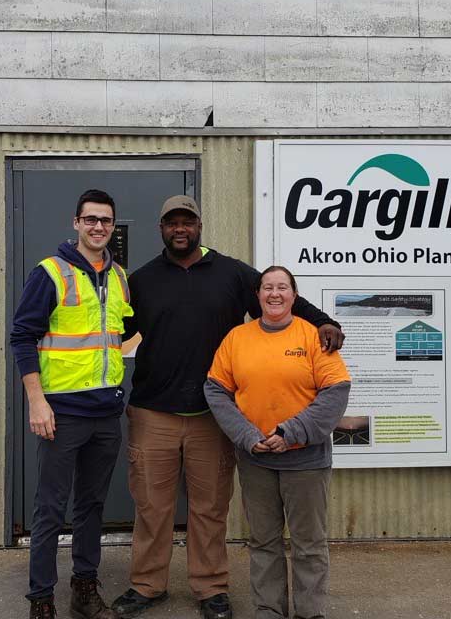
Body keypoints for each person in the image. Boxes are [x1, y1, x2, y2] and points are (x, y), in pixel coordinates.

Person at [111, 197, 344, 619]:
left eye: (188, 221)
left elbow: (283, 299)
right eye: (171, 223)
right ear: (161, 228)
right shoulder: (141, 280)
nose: (180, 229)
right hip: (152, 412)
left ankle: (210, 587)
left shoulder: (232, 273)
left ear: (200, 225)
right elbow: (114, 331)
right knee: (151, 506)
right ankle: (147, 585)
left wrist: (327, 321)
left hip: (212, 417)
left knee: (210, 508)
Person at [10, 189, 132, 619]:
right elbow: (22, 337)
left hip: (106, 414)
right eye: (91, 219)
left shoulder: (119, 277)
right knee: (49, 510)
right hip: (62, 413)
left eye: (106, 221)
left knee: (91, 506)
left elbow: (123, 333)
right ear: (76, 223)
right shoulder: (50, 273)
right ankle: (41, 600)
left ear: (113, 227)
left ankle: (84, 589)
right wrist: (36, 402)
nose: (99, 227)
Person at [204, 265, 351, 619]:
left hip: (306, 462)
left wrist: (291, 433)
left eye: (282, 287)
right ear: (257, 296)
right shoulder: (237, 338)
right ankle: (268, 609)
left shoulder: (314, 337)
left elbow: (336, 392)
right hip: (256, 460)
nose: (274, 294)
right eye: (267, 287)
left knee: (309, 545)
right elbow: (216, 390)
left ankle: (309, 611)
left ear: (294, 295)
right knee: (264, 542)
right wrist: (248, 436)